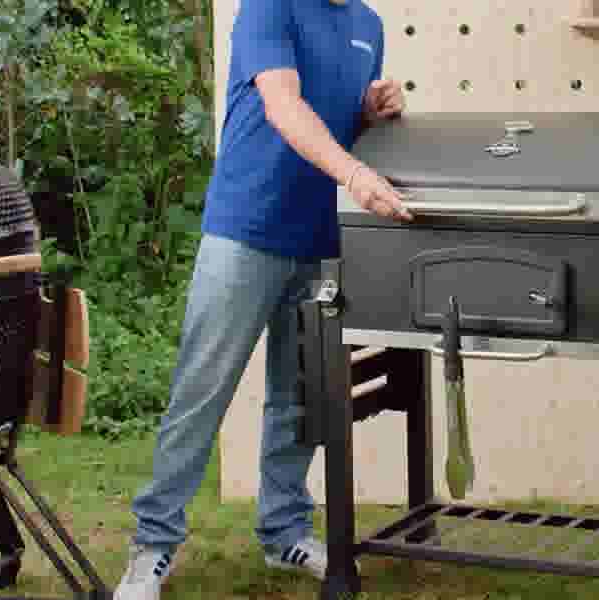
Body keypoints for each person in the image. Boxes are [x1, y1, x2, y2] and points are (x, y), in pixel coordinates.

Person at [113, 1, 412, 598]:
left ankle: (284, 531)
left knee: (299, 397)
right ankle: (154, 545)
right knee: (203, 388)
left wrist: (370, 112)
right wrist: (355, 175)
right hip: (246, 229)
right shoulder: (269, 6)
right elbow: (283, 104)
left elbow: (333, 120)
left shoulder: (368, 26)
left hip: (319, 236)